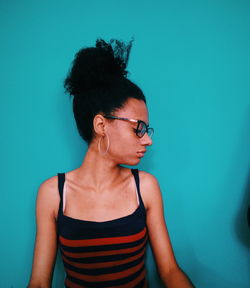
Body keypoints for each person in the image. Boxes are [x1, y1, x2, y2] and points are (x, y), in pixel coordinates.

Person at [28, 39, 195, 288]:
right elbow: (40, 283)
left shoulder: (145, 187)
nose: (147, 140)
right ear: (101, 125)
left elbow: (170, 271)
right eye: (138, 128)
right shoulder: (53, 193)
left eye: (146, 129)